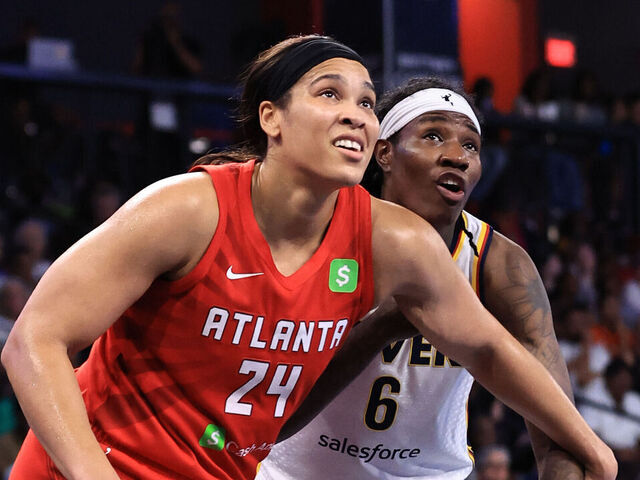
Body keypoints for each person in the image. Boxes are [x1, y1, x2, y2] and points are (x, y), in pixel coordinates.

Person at [1, 36, 615, 480]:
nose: (355, 113)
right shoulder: (187, 209)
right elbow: (33, 342)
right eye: (329, 94)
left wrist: (593, 449)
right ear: (272, 118)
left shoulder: (396, 241)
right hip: (95, 464)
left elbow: (488, 349)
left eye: (367, 103)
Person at [258, 77, 588, 479]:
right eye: (433, 136)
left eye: (471, 146)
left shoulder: (498, 264)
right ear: (384, 153)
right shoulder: (321, 233)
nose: (457, 156)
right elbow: (272, 412)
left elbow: (559, 434)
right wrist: (381, 327)